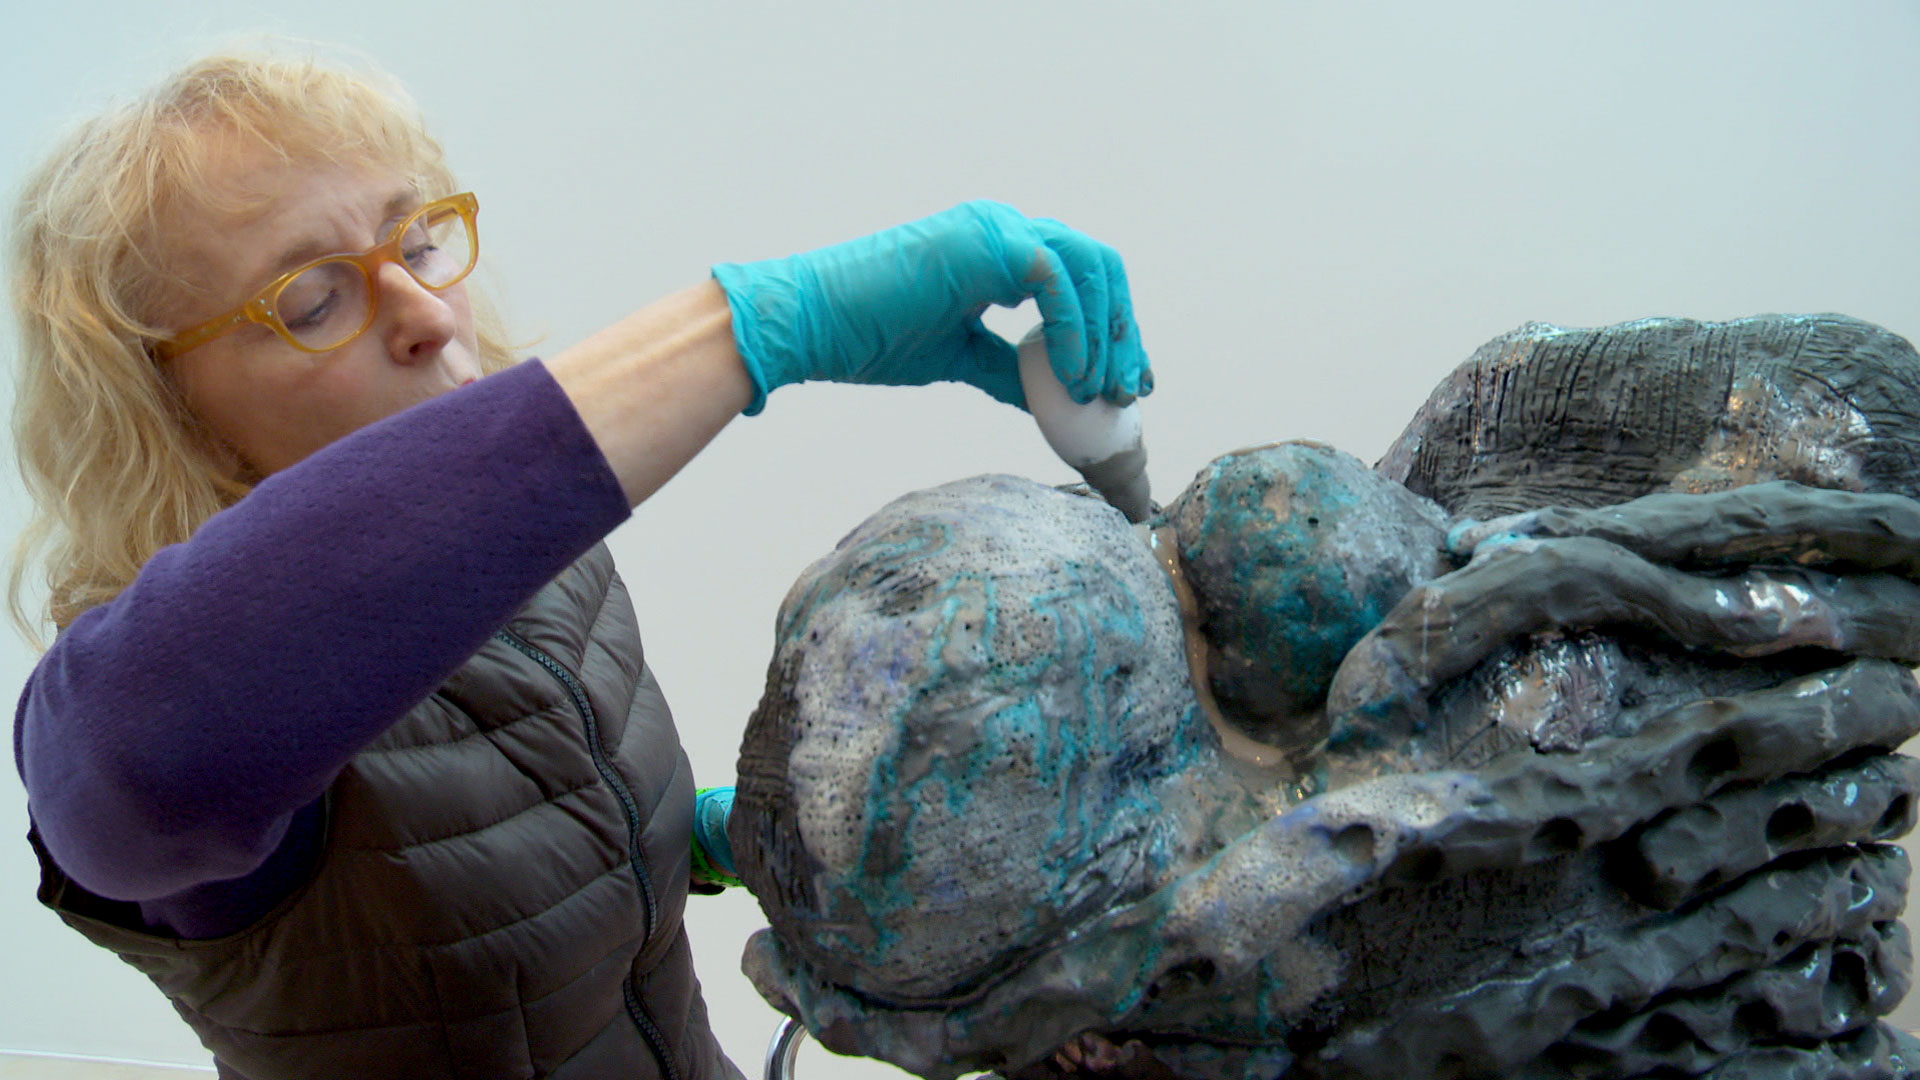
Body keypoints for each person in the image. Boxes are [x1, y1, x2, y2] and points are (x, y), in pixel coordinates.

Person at [7, 48, 1150, 1080]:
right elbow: (125, 766)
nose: (423, 313)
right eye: (313, 300)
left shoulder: (546, 573)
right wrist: (768, 325)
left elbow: (519, 869)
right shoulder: (147, 711)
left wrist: (702, 839)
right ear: (165, 408)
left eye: (415, 241)